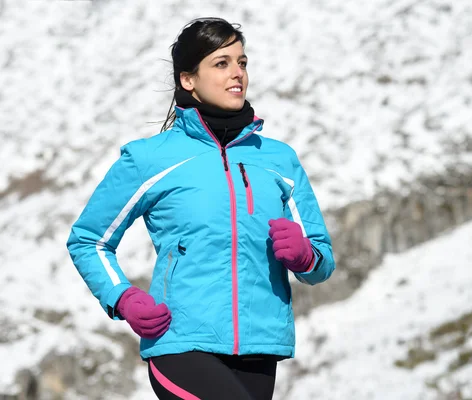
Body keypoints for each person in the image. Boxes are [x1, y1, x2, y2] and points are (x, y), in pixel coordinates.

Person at [66, 17, 335, 400]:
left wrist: (306, 256)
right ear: (188, 79)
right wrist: (122, 297)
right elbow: (88, 240)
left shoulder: (279, 159)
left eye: (242, 62)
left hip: (260, 347)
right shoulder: (149, 159)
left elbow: (322, 262)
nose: (237, 73)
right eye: (221, 63)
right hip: (180, 342)